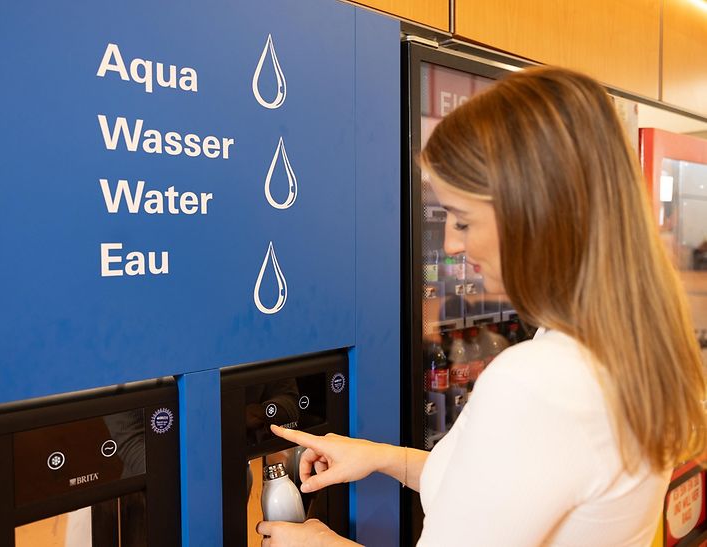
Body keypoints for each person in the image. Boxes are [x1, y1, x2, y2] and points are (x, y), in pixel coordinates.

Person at [256, 66, 707, 546]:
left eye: (464, 221)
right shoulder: (611, 344)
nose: (450, 243)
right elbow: (512, 493)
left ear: (535, 218)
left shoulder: (543, 381)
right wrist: (383, 457)